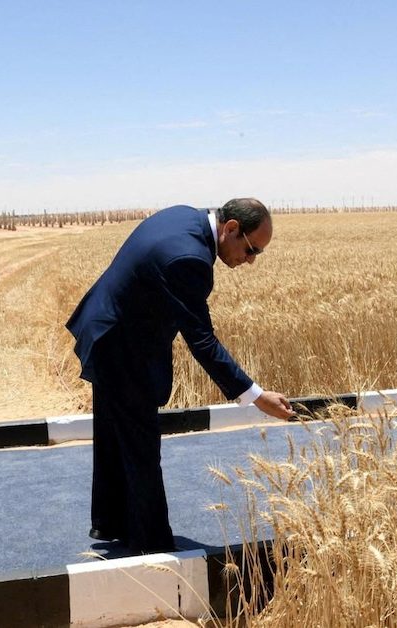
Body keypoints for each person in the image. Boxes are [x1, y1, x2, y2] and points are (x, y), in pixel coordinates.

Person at [66, 199, 295, 554]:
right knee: (141, 444)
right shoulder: (189, 258)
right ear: (231, 228)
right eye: (251, 250)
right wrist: (255, 395)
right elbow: (202, 341)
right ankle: (151, 547)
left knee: (115, 436)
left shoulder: (185, 216)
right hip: (121, 343)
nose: (250, 261)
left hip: (111, 328)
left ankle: (115, 524)